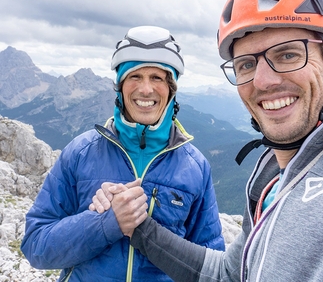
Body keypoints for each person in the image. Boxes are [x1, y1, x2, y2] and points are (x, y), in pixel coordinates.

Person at [91, 0, 323, 281]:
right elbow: (228, 273)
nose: (264, 81)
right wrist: (138, 228)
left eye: (287, 54)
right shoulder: (268, 181)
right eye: (246, 64)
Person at [20, 25, 225, 281]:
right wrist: (107, 222)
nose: (146, 89)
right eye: (135, 76)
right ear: (120, 86)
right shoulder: (80, 153)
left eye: (158, 78)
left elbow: (212, 266)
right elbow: (36, 246)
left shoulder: (195, 167)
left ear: (171, 90)